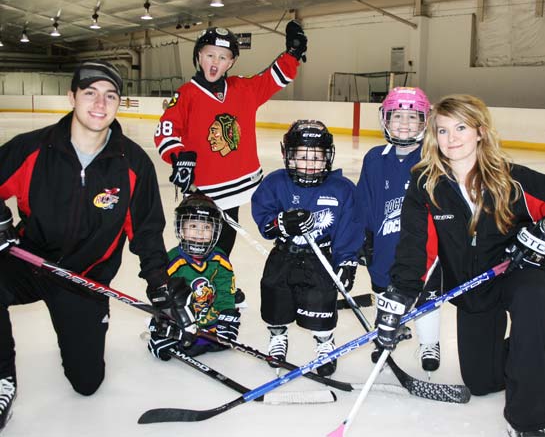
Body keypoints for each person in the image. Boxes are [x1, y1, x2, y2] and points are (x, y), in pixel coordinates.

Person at [0, 60, 194, 432]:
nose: (99, 104)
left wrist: (161, 286)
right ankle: (1, 377)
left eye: (110, 96)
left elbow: (147, 233)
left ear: (119, 103)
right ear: (72, 96)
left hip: (84, 280)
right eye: (90, 93)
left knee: (87, 383)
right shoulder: (32, 149)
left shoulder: (133, 164)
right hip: (29, 261)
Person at [374, 95, 545, 436]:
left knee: (535, 306)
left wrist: (538, 234)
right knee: (483, 381)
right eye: (442, 130)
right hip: (473, 288)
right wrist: (399, 297)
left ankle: (529, 421)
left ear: (480, 132)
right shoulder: (426, 184)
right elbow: (414, 249)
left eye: (461, 128)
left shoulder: (514, 180)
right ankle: (529, 354)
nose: (451, 139)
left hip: (519, 274)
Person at [154, 21, 308, 257]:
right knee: (199, 249)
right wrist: (178, 158)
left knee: (224, 249)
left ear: (232, 62)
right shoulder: (186, 94)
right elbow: (166, 131)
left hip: (238, 188)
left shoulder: (242, 88)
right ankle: (200, 290)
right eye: (210, 55)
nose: (216, 62)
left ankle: (218, 287)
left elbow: (273, 79)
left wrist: (293, 54)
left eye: (223, 57)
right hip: (204, 191)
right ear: (199, 55)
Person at [251, 120, 361, 377]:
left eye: (317, 156)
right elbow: (264, 218)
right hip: (284, 255)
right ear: (288, 155)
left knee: (321, 302)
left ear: (328, 158)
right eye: (302, 156)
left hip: (320, 258)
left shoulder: (342, 189)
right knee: (274, 297)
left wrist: (346, 261)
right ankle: (277, 338)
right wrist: (280, 223)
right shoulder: (276, 183)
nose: (310, 163)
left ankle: (325, 344)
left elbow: (349, 228)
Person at [356, 86, 442, 373]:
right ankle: (386, 335)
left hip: (423, 247)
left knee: (426, 295)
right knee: (383, 286)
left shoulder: (434, 161)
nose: (404, 124)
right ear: (385, 119)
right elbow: (364, 201)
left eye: (413, 117)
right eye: (397, 116)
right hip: (384, 241)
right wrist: (363, 239)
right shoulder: (373, 158)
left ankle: (429, 342)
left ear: (424, 122)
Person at [147, 193, 241, 360]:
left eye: (206, 227)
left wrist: (227, 313)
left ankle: (201, 338)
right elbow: (162, 297)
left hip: (208, 321)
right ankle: (166, 336)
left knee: (221, 341)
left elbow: (226, 290)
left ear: (215, 231)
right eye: (193, 226)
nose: (200, 233)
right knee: (173, 343)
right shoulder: (171, 261)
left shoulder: (220, 259)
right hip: (182, 322)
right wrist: (162, 324)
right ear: (181, 228)